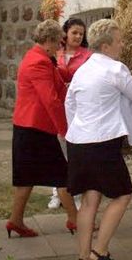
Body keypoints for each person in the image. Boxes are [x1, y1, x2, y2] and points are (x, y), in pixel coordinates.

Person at [65, 19, 132, 260]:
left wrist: (78, 127)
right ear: (105, 47)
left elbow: (69, 104)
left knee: (89, 200)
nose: (123, 44)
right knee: (123, 194)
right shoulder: (115, 69)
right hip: (102, 143)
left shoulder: (82, 69)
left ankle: (83, 255)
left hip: (78, 142)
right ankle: (99, 251)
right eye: (119, 40)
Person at [8, 19, 77, 238]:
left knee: (26, 178)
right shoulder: (39, 62)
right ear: (48, 41)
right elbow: (51, 100)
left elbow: (60, 77)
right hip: (35, 129)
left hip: (28, 127)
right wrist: (64, 130)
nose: (60, 46)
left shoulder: (39, 57)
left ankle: (15, 221)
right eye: (58, 42)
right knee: (62, 175)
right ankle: (75, 220)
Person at [49, 17, 92, 210]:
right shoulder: (55, 53)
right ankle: (56, 193)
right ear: (65, 33)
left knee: (74, 150)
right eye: (74, 32)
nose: (77, 36)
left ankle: (75, 191)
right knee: (57, 150)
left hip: (78, 106)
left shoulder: (87, 55)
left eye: (81, 34)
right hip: (58, 105)